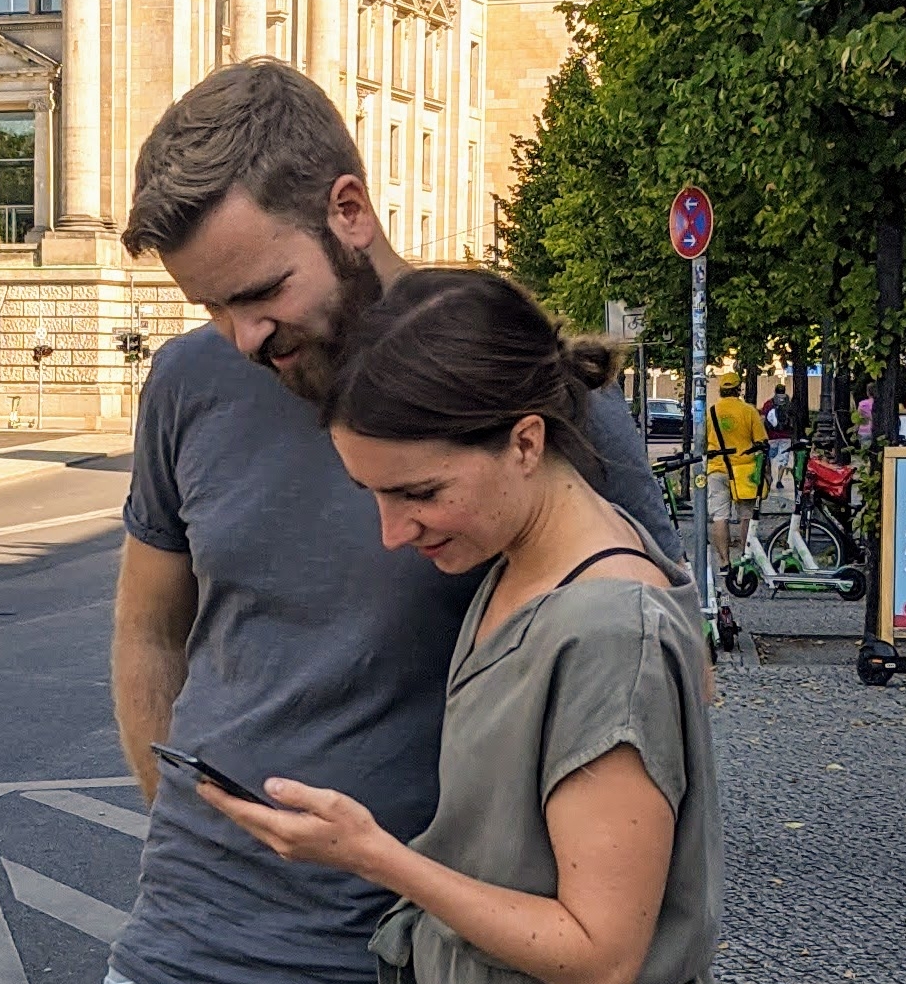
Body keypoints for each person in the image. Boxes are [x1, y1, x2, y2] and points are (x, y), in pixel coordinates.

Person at [110, 59, 684, 984]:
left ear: (348, 210)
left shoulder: (527, 386)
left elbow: (651, 666)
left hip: (420, 948)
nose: (241, 337)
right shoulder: (187, 381)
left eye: (261, 292)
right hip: (182, 938)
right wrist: (178, 823)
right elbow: (149, 629)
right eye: (210, 306)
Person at [203, 268, 720, 984]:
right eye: (373, 494)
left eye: (420, 492)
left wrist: (372, 855)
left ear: (526, 443)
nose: (391, 532)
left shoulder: (607, 632)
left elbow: (601, 955)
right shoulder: (533, 555)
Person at [704, 372, 768, 577]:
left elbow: (704, 440)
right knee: (746, 516)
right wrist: (766, 473)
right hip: (744, 470)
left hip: (717, 469)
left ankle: (724, 563)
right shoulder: (748, 411)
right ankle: (745, 558)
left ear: (721, 390)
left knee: (719, 517)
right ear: (739, 389)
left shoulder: (712, 412)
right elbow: (761, 443)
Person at [759, 383, 793, 493]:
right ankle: (779, 480)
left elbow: (763, 419)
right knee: (783, 459)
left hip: (771, 436)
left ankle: (769, 479)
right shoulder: (789, 404)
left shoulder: (769, 404)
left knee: (768, 458)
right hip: (786, 437)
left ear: (775, 391)